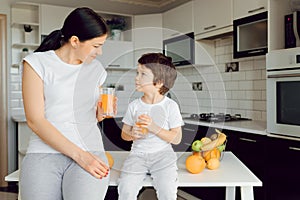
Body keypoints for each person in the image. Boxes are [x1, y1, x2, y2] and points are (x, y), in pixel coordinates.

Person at [20, 7, 114, 200]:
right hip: (44, 152)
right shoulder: (37, 63)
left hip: (91, 150)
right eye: (96, 46)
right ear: (74, 41)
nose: (100, 52)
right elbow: (35, 120)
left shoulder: (96, 69)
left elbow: (85, 115)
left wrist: (100, 113)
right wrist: (81, 156)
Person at [118, 53, 184, 200]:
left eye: (143, 74)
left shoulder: (170, 106)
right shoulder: (134, 106)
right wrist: (132, 134)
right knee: (126, 188)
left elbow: (177, 138)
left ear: (159, 82)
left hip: (163, 156)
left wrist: (154, 127)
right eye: (137, 73)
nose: (137, 78)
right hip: (138, 155)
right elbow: (124, 134)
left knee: (167, 191)